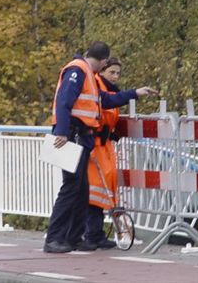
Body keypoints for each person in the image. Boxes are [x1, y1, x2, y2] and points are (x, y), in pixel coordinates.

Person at [44, 42, 157, 253]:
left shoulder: (87, 74)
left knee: (81, 189)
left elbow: (103, 100)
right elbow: (63, 101)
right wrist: (61, 130)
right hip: (72, 137)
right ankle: (54, 239)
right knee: (71, 188)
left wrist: (134, 93)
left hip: (81, 138)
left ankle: (74, 238)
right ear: (104, 61)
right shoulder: (78, 71)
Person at [83, 57, 123, 250]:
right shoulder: (97, 86)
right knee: (95, 190)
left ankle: (95, 233)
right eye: (111, 72)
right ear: (102, 71)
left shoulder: (110, 89)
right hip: (95, 144)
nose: (115, 76)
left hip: (104, 144)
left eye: (117, 73)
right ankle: (91, 234)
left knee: (101, 189)